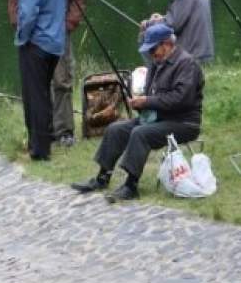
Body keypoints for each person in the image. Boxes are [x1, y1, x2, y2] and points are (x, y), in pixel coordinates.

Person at [71, 23, 204, 202]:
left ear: (166, 44)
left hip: (183, 123)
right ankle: (102, 178)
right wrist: (138, 103)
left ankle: (131, 186)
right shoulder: (156, 64)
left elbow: (180, 99)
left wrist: (147, 101)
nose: (151, 54)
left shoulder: (187, 64)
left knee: (140, 133)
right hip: (157, 118)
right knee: (115, 129)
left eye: (153, 49)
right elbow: (152, 96)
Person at [7, 0, 86, 147]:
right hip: (31, 36)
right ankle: (43, 132)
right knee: (36, 86)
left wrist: (67, 25)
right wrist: (18, 25)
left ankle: (64, 131)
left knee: (62, 81)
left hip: (58, 33)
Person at [14, 0, 68, 161]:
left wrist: (22, 38)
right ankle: (45, 142)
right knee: (44, 94)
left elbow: (27, 14)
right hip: (56, 44)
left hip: (36, 44)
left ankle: (39, 150)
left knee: (34, 96)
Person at [141, 0, 214, 64]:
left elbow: (171, 26)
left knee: (147, 35)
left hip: (191, 54)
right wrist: (162, 19)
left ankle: (154, 76)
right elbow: (181, 20)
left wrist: (149, 24)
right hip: (203, 53)